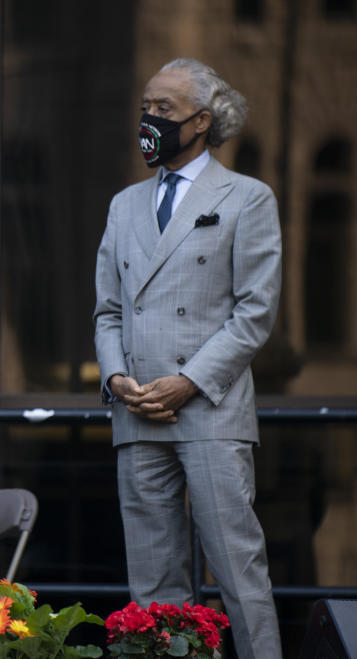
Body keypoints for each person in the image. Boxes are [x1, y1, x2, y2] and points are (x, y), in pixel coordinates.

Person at [93, 58, 283, 659]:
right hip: (137, 415)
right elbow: (108, 312)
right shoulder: (124, 204)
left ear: (202, 121)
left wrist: (188, 382)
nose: (149, 119)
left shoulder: (248, 197)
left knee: (238, 574)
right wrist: (118, 378)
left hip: (210, 412)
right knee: (152, 588)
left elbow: (255, 312)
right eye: (145, 107)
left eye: (164, 110)